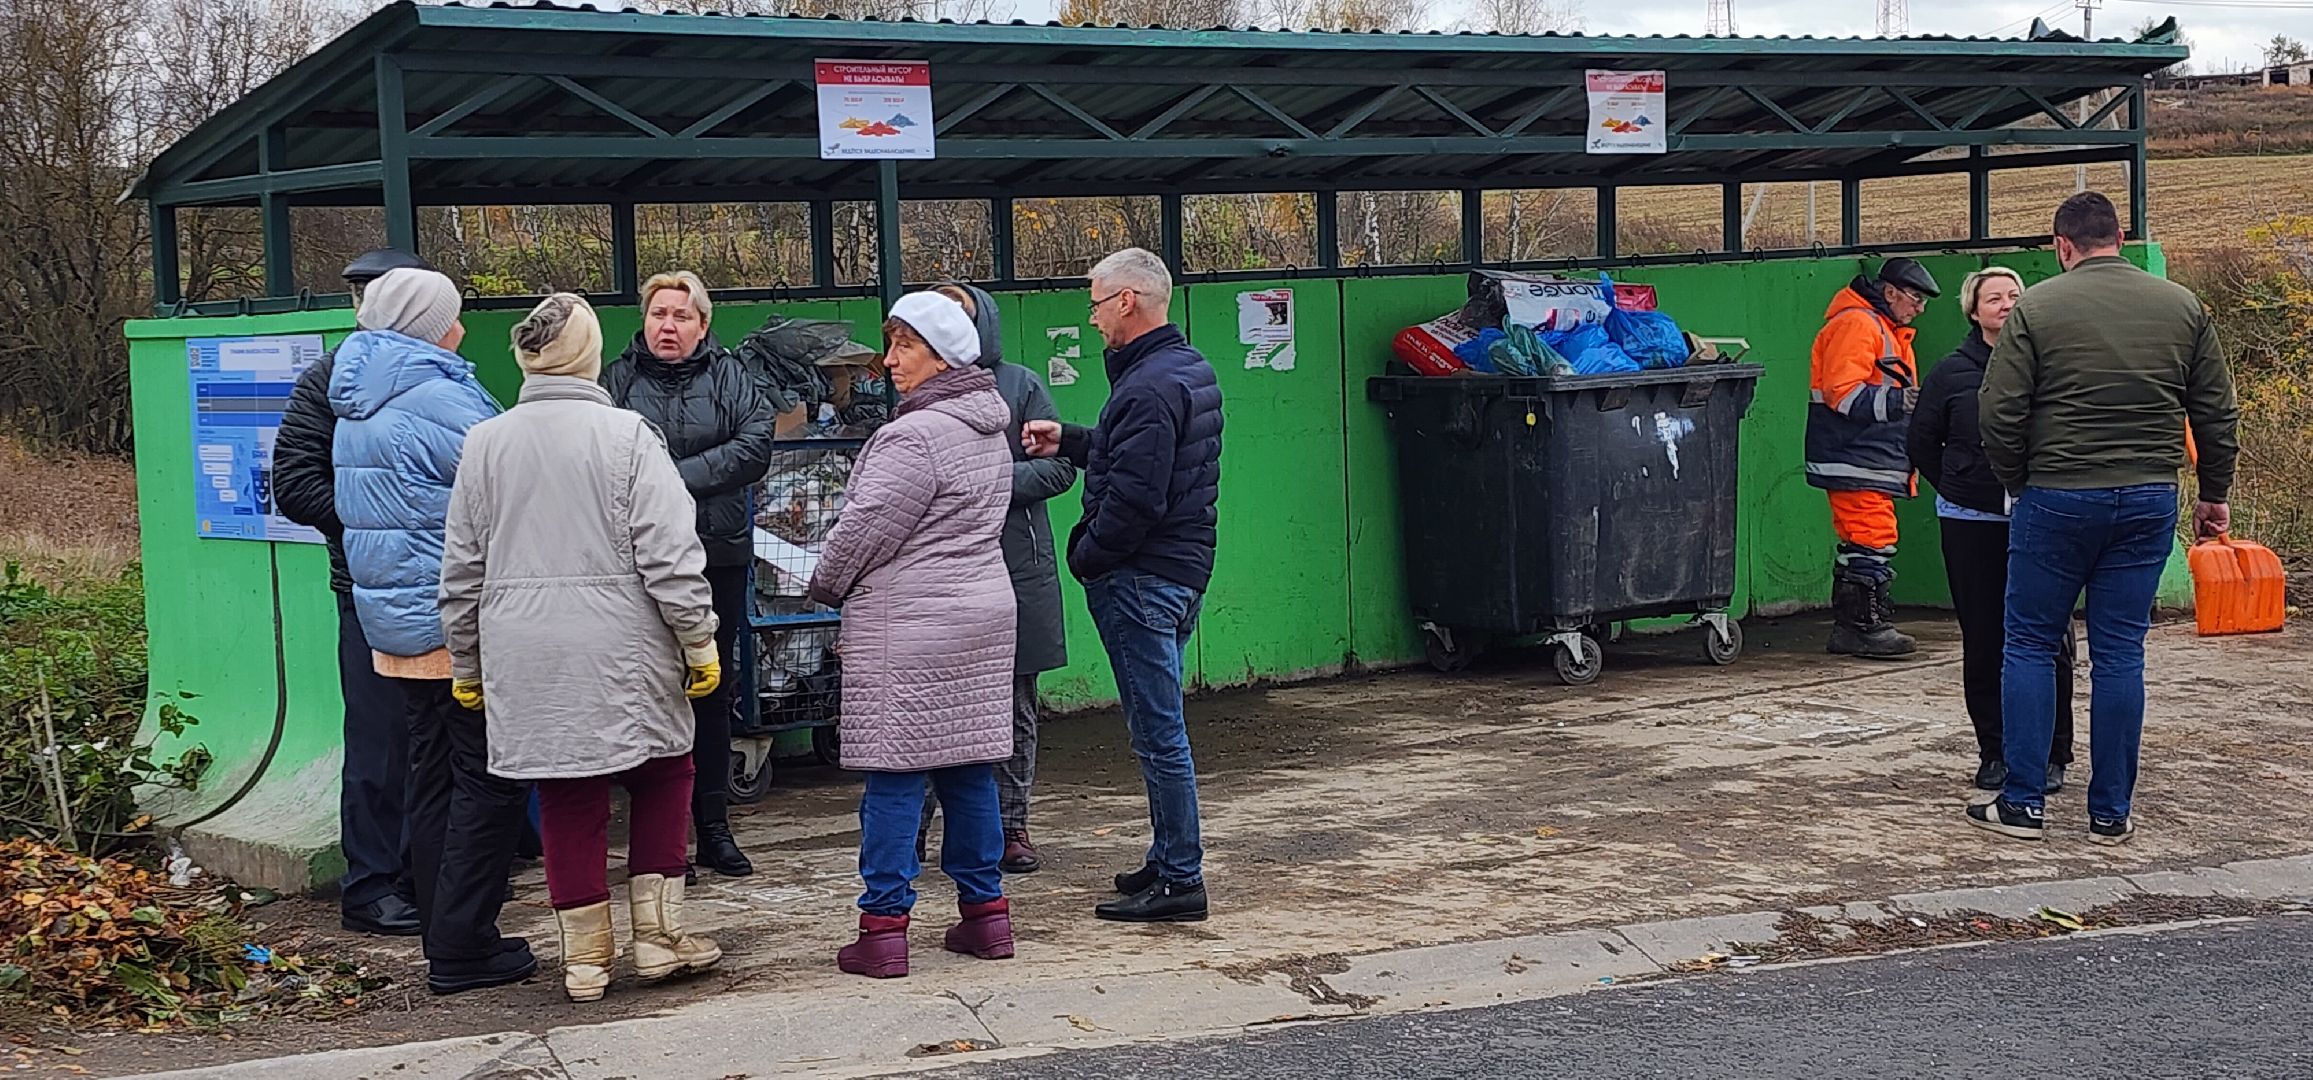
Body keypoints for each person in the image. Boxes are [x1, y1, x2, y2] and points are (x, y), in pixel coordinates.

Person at [440, 293, 727, 1003]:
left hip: (521, 648)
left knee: (566, 791)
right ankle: (658, 941)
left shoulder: (485, 442)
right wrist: (697, 638)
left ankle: (585, 962)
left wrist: (467, 663)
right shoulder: (627, 436)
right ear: (589, 353)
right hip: (623, 641)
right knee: (664, 771)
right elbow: (669, 554)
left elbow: (461, 569)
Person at [1969, 192, 2239, 845]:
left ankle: (2023, 804)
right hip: (2147, 495)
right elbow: (2215, 410)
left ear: (2061, 245)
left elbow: (1997, 413)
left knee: (2030, 642)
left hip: (2057, 496)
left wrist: (2018, 481)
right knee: (2120, 652)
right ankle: (2110, 814)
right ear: (2120, 236)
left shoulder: (2036, 307)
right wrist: (2212, 492)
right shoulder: (2179, 305)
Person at [328, 267, 533, 994]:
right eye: (451, 314)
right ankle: (463, 944)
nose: (460, 326)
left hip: (395, 620)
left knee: (432, 776)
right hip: (454, 620)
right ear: (425, 323)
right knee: (486, 783)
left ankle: (443, 931)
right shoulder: (439, 396)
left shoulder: (360, 396)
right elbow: (505, 488)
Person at [808, 290, 1017, 980]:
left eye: (904, 347)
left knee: (894, 778)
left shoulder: (913, 435)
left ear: (943, 355)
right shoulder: (988, 424)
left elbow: (864, 532)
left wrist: (824, 584)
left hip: (912, 622)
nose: (889, 361)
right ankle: (986, 918)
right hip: (980, 612)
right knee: (967, 770)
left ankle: (883, 930)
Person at [1021, 247, 1223, 924]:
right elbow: (1139, 454)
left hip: (1142, 577)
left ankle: (1181, 878)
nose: (1092, 318)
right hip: (1181, 568)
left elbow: (1136, 497)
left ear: (1127, 301)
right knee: (1158, 727)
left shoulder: (1145, 386)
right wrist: (1074, 440)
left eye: (1096, 303)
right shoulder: (1182, 368)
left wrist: (1087, 554)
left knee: (1157, 732)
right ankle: (1168, 857)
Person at [274, 249, 431, 938]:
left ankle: (422, 874)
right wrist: (375, 521)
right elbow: (294, 484)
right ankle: (370, 884)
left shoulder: (438, 377)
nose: (365, 306)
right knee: (380, 740)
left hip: (438, 587)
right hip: (368, 587)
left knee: (435, 739)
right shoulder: (327, 380)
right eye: (360, 295)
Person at [602, 271, 774, 881]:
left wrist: (675, 477)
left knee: (711, 689)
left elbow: (756, 445)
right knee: (648, 693)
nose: (666, 326)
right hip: (636, 564)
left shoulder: (731, 377)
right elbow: (601, 453)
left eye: (680, 316)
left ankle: (714, 830)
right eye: (657, 314)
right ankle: (661, 842)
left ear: (702, 325)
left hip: (715, 553)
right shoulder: (616, 380)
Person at [917, 282, 1078, 875]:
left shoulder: (1022, 384)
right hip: (938, 577)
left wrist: (980, 482)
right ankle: (917, 831)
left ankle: (1012, 826)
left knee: (1014, 708)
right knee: (931, 709)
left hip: (1017, 569)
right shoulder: (914, 391)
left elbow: (1059, 466)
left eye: (960, 316)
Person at [1906, 267, 2079, 795]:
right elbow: (1921, 443)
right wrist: (1959, 487)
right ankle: (1995, 752)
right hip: (1973, 523)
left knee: (2051, 640)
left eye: (2014, 296)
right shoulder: (1952, 372)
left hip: (2042, 518)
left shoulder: (2053, 364)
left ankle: (2053, 752)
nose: (2005, 305)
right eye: (1994, 298)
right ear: (1973, 311)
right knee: (1984, 638)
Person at [1806, 256, 1941, 660]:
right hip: (1856, 457)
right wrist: (1903, 400)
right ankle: (1863, 627)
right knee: (1869, 539)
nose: (1918, 308)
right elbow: (1841, 393)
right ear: (1890, 293)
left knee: (1866, 541)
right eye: (1914, 299)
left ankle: (1860, 625)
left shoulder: (1879, 326)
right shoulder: (1859, 324)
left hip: (1864, 457)